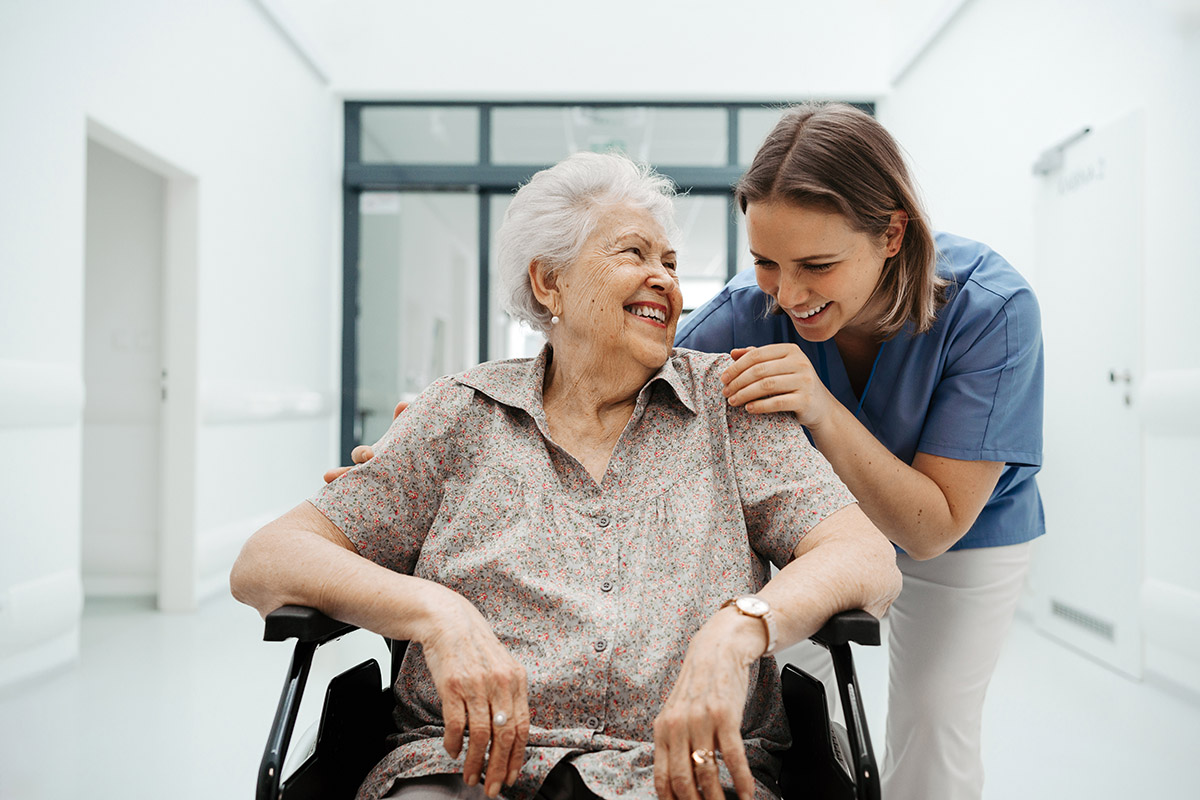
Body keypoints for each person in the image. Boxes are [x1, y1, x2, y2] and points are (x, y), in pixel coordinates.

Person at [234, 151, 902, 800]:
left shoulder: (731, 409)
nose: (665, 279)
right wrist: (438, 614)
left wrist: (739, 630)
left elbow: (865, 554)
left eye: (670, 263)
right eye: (633, 254)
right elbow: (269, 558)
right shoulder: (459, 414)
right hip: (463, 767)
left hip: (686, 773)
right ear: (548, 283)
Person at [674, 103, 1044, 800]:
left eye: (817, 264)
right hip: (819, 532)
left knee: (936, 717)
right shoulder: (744, 313)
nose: (788, 295)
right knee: (791, 701)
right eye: (765, 263)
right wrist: (479, 401)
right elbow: (617, 384)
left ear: (891, 233)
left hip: (964, 533)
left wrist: (821, 404)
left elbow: (930, 529)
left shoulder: (993, 310)